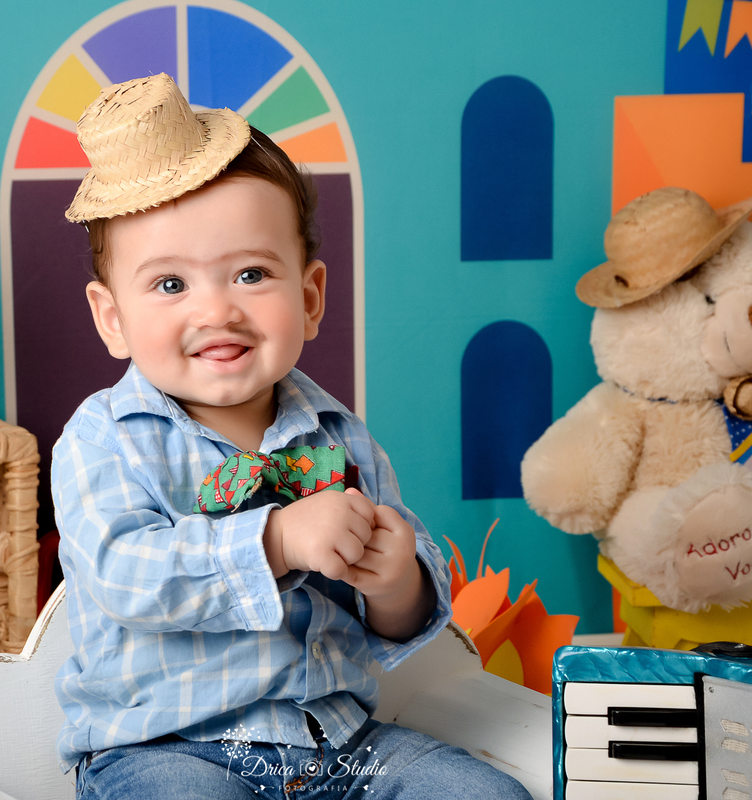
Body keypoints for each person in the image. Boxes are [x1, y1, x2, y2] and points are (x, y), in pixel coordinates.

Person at [53, 73, 532, 800]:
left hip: (340, 747)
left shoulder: (339, 434)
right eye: (171, 285)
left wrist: (396, 579)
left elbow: (398, 619)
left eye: (250, 273)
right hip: (170, 749)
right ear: (112, 316)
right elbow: (124, 575)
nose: (217, 310)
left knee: (486, 795)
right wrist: (275, 541)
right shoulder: (106, 439)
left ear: (309, 298)